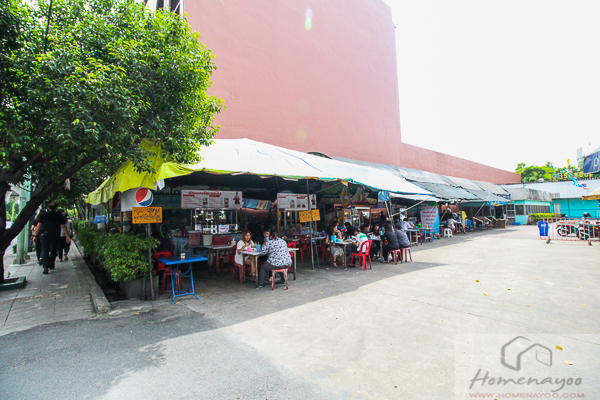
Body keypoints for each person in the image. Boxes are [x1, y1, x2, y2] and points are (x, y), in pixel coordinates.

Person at [32, 203, 71, 274]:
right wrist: (67, 236)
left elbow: (38, 226)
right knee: (53, 249)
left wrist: (35, 235)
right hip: (55, 235)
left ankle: (45, 267)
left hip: (45, 234)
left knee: (45, 250)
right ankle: (51, 264)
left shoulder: (43, 215)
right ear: (56, 208)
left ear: (48, 208)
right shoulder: (59, 216)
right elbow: (63, 226)